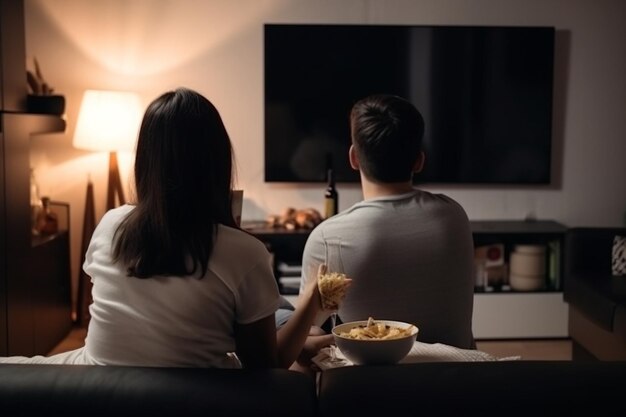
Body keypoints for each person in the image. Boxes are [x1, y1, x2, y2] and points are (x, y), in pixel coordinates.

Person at [0, 87, 337, 369]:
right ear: (216, 161)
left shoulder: (110, 225)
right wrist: (310, 300)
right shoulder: (244, 252)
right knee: (281, 308)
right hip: (190, 396)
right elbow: (266, 366)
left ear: (146, 159)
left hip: (96, 384)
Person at [299, 94, 476, 349]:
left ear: (353, 157)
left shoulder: (327, 236)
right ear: (419, 160)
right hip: (457, 376)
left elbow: (308, 326)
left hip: (371, 383)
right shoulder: (454, 216)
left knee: (285, 318)